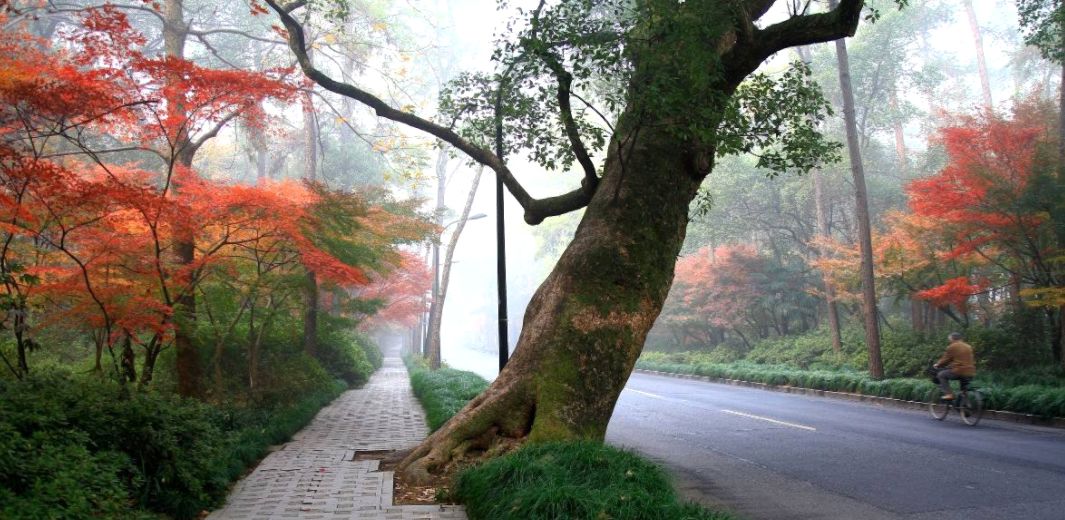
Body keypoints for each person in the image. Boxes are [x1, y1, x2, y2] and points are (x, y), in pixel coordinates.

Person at [934, 332, 976, 400]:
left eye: (949, 339)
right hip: (971, 371)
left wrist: (938, 364)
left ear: (953, 339)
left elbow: (946, 359)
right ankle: (964, 405)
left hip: (959, 371)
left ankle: (949, 394)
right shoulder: (968, 346)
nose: (949, 341)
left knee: (941, 375)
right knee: (963, 390)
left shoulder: (952, 346)